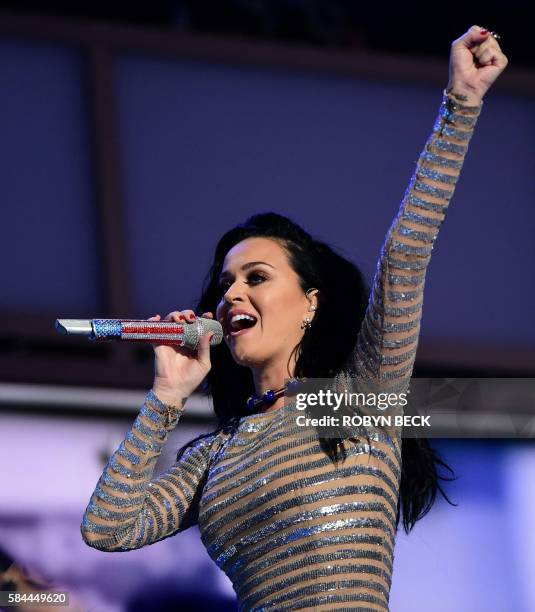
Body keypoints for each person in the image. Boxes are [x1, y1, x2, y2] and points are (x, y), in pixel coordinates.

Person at [81, 26, 507, 611]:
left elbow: (406, 254)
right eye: (225, 283)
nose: (232, 294)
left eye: (256, 278)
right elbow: (108, 528)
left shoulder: (358, 399)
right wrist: (167, 395)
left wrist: (461, 104)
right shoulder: (216, 455)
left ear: (311, 301)